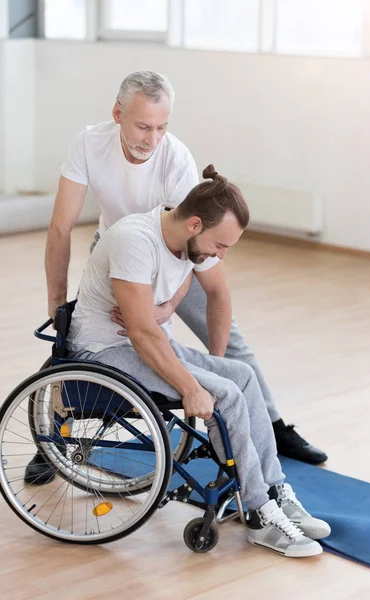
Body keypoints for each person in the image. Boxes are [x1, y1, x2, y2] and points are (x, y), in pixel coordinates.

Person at [25, 70, 327, 485]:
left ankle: (270, 424)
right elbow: (61, 227)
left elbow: (193, 237)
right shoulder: (89, 144)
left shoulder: (175, 158)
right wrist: (57, 303)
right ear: (118, 114)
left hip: (176, 254)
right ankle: (53, 444)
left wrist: (168, 304)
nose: (152, 139)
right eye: (143, 126)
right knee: (77, 344)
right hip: (121, 250)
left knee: (229, 340)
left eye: (162, 127)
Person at [66, 165, 331, 557]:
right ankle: (259, 514)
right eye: (220, 246)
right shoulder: (133, 241)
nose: (220, 256)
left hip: (144, 342)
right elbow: (139, 333)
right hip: (105, 351)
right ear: (194, 224)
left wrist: (170, 306)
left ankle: (274, 489)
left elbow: (187, 279)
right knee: (221, 393)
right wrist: (192, 387)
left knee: (240, 375)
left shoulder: (184, 238)